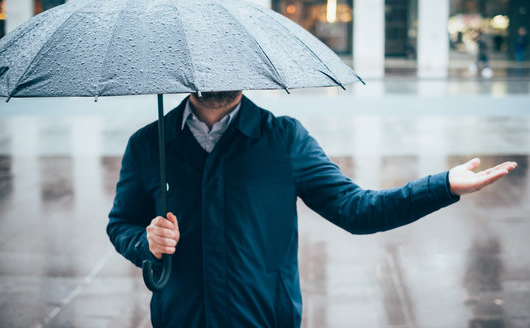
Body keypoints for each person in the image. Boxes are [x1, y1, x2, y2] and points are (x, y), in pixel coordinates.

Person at [107, 91, 517, 327]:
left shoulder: (283, 139)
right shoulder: (149, 144)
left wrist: (442, 185)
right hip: (181, 318)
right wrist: (144, 241)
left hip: (263, 320)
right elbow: (121, 223)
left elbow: (357, 210)